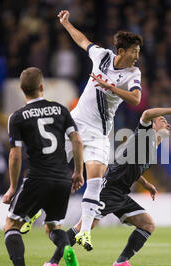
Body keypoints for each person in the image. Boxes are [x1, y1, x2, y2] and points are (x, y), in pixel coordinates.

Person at [42, 104, 171, 266]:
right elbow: (147, 113)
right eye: (163, 120)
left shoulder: (152, 148)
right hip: (109, 188)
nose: (168, 124)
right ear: (153, 125)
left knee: (147, 224)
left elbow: (129, 165)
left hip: (121, 192)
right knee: (83, 228)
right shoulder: (146, 135)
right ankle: (52, 262)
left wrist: (145, 184)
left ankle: (121, 262)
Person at [58, 10, 143, 251]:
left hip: (98, 133)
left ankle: (84, 233)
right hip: (75, 123)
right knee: (50, 164)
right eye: (134, 52)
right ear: (122, 51)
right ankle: (30, 211)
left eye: (138, 52)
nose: (137, 56)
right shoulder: (102, 56)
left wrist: (111, 88)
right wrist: (66, 23)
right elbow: (82, 41)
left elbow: (136, 99)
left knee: (94, 181)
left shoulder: (132, 74)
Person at [2, 67, 84, 266]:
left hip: (38, 178)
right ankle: (65, 247)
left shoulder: (17, 117)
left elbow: (15, 155)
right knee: (53, 227)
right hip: (62, 179)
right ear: (42, 86)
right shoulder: (60, 109)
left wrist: (12, 187)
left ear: (21, 89)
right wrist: (77, 172)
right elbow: (77, 141)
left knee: (11, 225)